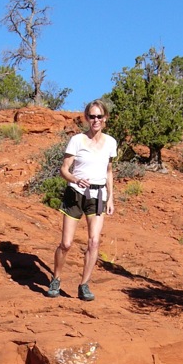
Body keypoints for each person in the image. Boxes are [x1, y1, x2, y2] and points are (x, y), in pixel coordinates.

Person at [47, 99, 117, 301]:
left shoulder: (111, 143)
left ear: (105, 118)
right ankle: (56, 279)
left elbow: (109, 171)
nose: (96, 120)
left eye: (99, 116)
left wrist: (110, 198)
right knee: (66, 243)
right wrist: (75, 179)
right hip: (75, 194)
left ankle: (84, 285)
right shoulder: (77, 140)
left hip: (98, 196)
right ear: (87, 118)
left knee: (94, 242)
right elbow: (64, 169)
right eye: (92, 116)